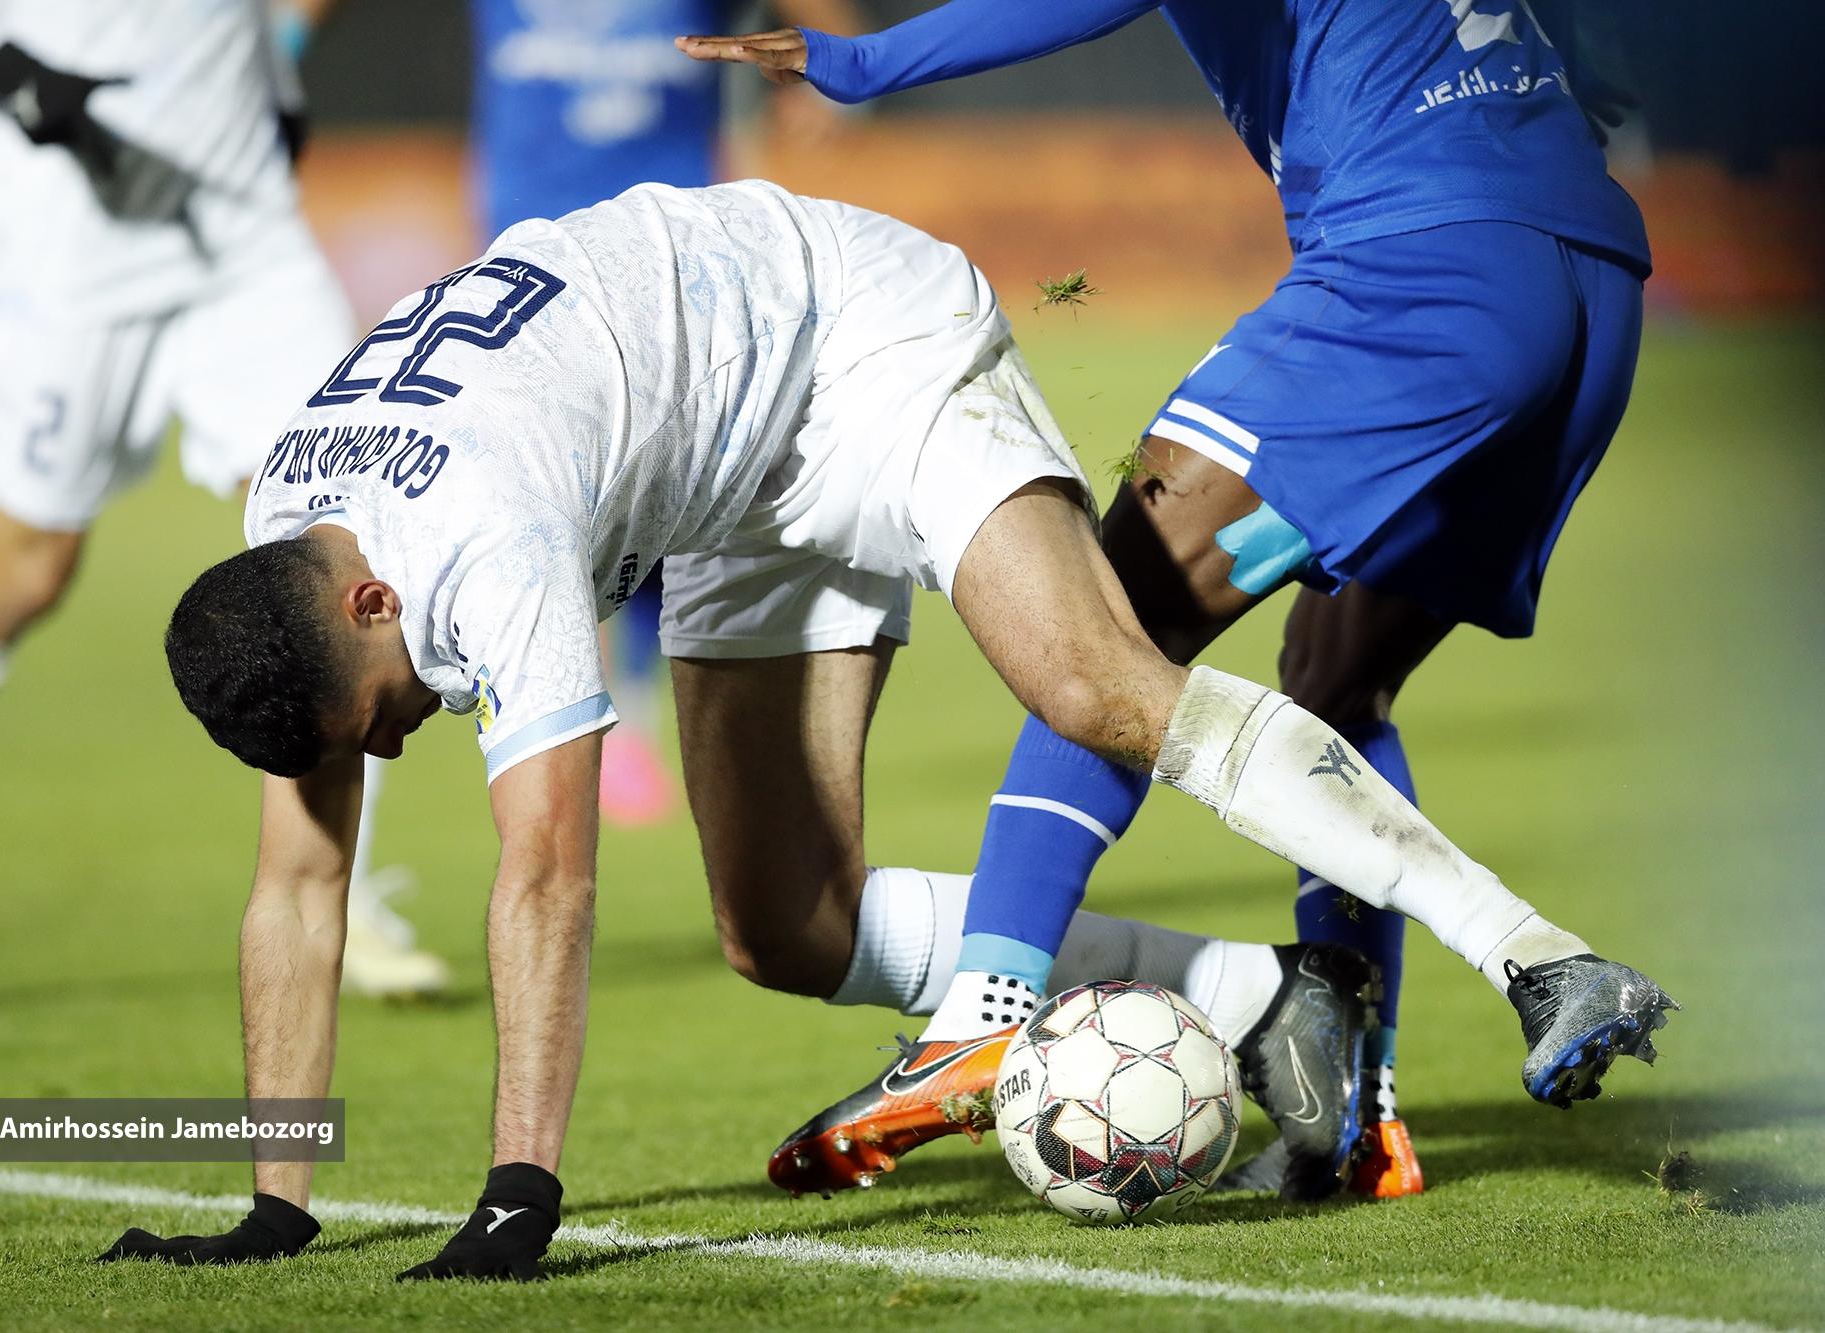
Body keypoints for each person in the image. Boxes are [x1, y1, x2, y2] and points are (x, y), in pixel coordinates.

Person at [102, 179, 1668, 1277]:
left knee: (1093, 682)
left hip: (852, 339)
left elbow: (546, 876)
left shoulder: (478, 537)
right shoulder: (289, 542)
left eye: (377, 723)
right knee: (786, 926)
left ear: (374, 602)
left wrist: (519, 1196)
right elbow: (297, 882)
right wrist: (276, 1204)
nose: (387, 751)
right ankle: (1272, 998)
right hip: (715, 467)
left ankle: (1529, 949)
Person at [681, 0, 1658, 1197]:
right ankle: (1354, 1118)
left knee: (1098, 630)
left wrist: (867, 59)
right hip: (1588, 286)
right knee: (1340, 682)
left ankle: (983, 1014)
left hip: (1415, 271)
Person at [0, 0, 446, 1024]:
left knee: (339, 538)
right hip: (74, 242)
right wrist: (3, 63)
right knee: (26, 569)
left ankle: (339, 882)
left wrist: (280, 62)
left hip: (239, 226)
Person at [469, 0, 865, 825]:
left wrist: (835, 67)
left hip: (674, 253)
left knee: (675, 493)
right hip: (531, 250)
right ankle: (579, 721)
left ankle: (644, 719)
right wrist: (283, 43)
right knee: (558, 496)